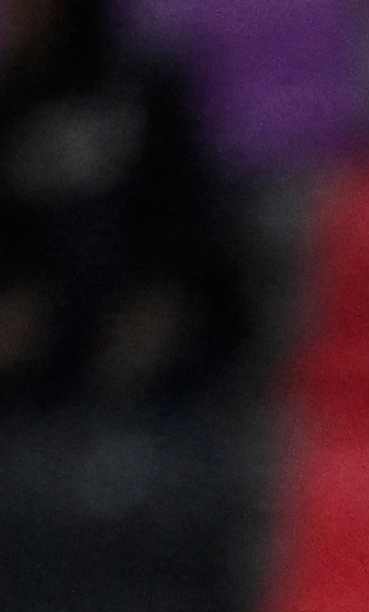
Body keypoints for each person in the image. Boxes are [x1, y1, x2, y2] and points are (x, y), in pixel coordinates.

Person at [0, 0, 251, 413]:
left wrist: (164, 296)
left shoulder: (144, 84)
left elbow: (188, 212)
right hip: (47, 332)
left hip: (158, 320)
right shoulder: (15, 96)